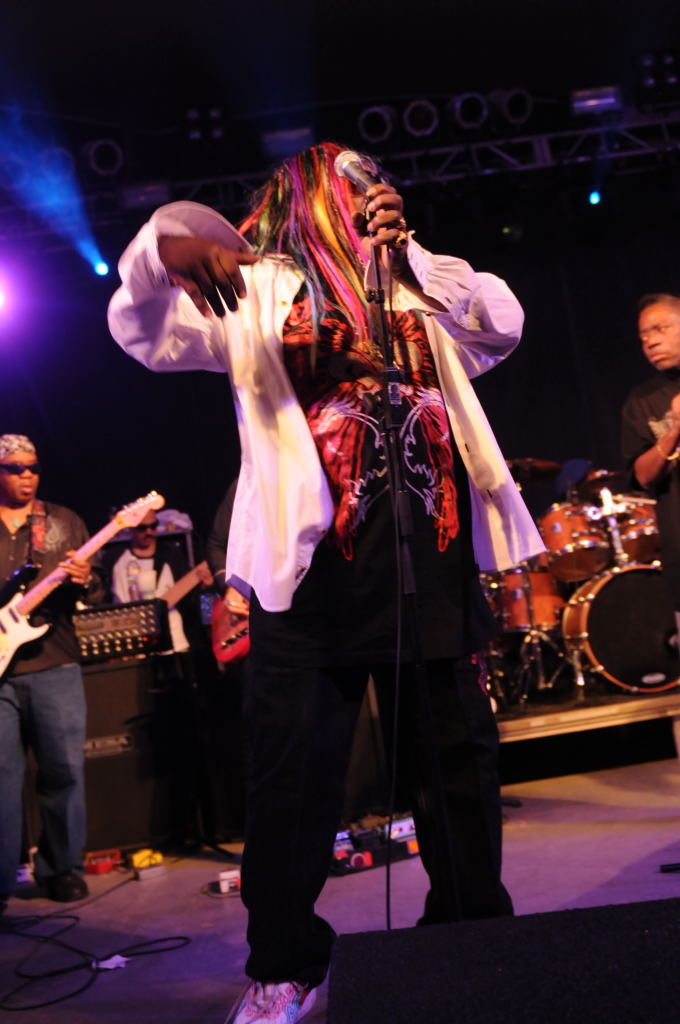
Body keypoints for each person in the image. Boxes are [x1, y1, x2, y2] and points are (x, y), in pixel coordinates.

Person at [108, 141, 544, 1024]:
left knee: (459, 774)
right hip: (309, 581)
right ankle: (286, 965)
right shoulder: (253, 289)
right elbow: (143, 333)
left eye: (374, 180)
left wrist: (412, 258)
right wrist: (159, 250)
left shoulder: (413, 283)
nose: (368, 191)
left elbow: (501, 324)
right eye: (350, 181)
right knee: (293, 784)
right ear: (304, 198)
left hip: (429, 563)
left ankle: (471, 942)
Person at [0, 434, 103, 913]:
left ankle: (62, 869)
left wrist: (85, 578)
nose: (27, 475)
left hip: (54, 660)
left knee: (63, 770)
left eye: (33, 467)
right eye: (15, 468)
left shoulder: (62, 522)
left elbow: (95, 590)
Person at [621, 293, 680, 639]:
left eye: (660, 329)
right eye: (643, 336)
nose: (650, 341)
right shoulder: (641, 401)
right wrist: (674, 432)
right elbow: (641, 476)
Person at [103, 508, 202, 653]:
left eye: (153, 526)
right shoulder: (115, 558)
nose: (149, 532)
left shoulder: (170, 554)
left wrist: (205, 584)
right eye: (142, 528)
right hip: (130, 640)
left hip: (172, 639)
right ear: (131, 527)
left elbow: (189, 598)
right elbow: (104, 598)